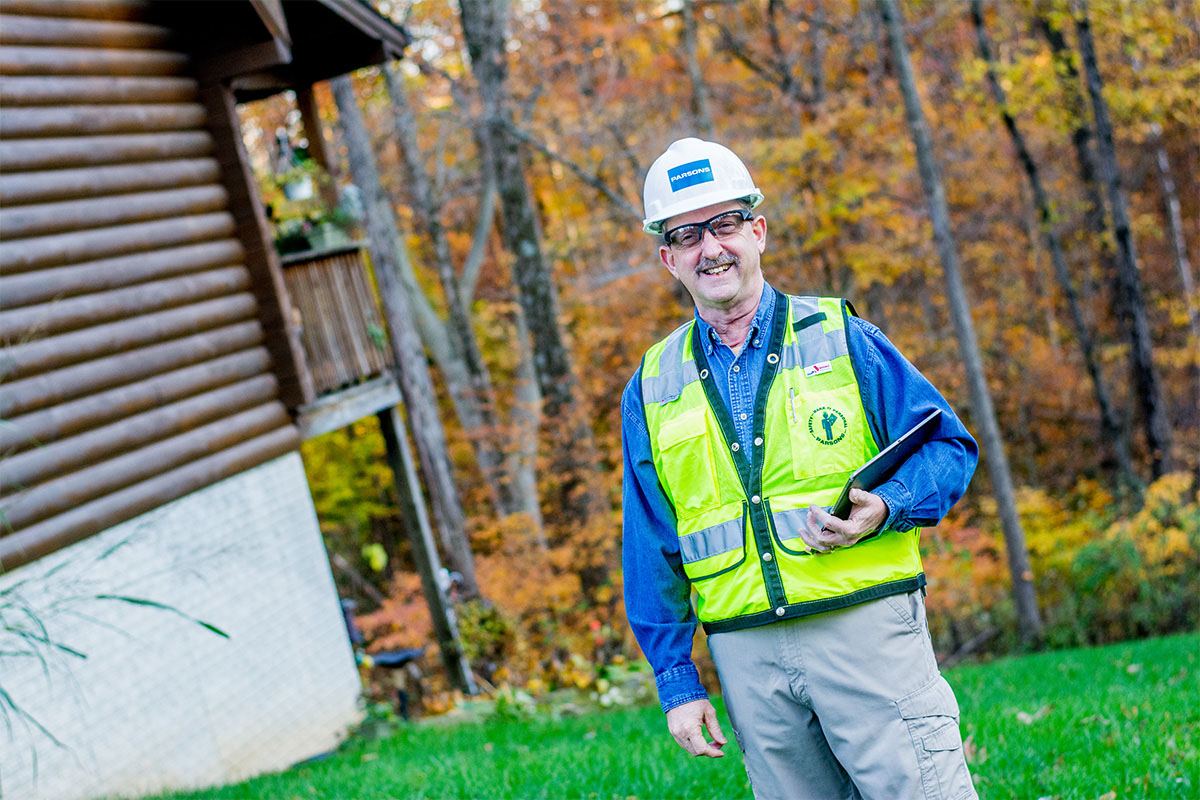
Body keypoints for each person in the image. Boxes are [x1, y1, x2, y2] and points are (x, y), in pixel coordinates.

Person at [621, 138, 980, 800]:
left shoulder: (843, 336)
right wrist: (677, 680)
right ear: (668, 258)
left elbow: (948, 448)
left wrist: (889, 504)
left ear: (757, 231)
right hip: (749, 662)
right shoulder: (651, 385)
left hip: (867, 634)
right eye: (688, 234)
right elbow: (650, 545)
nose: (712, 247)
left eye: (725, 224)